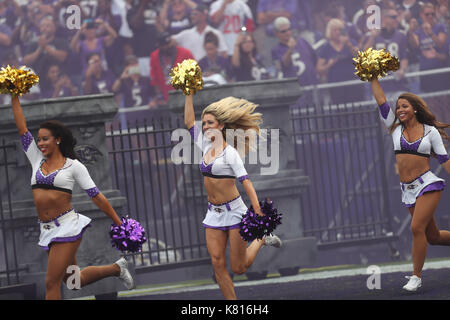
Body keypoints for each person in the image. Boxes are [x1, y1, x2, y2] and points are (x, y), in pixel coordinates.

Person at [9, 94, 135, 300]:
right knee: (74, 281)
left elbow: (96, 196)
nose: (40, 143)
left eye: (45, 138)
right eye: (39, 139)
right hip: (46, 228)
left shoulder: (73, 166)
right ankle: (116, 269)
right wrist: (14, 96)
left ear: (57, 139)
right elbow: (22, 129)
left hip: (67, 227)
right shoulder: (36, 160)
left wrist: (118, 221)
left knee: (51, 282)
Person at [183, 93, 282, 300]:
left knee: (239, 268)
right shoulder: (206, 146)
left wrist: (257, 211)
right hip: (213, 214)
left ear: (220, 126)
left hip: (235, 212)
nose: (206, 126)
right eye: (205, 123)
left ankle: (261, 239)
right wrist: (188, 93)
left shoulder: (230, 153)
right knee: (217, 262)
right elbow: (189, 123)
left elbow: (246, 181)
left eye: (210, 123)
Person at [369, 77, 450, 292]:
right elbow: (381, 101)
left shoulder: (430, 132)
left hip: (428, 185)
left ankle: (416, 276)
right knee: (432, 236)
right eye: (398, 107)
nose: (400, 109)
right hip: (408, 190)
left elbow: (444, 160)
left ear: (414, 108)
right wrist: (372, 76)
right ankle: (417, 272)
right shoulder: (394, 128)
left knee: (416, 228)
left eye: (405, 106)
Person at [362, 8, 409, 99]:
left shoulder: (401, 35)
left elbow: (404, 56)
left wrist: (402, 69)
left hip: (398, 83)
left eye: (397, 17)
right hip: (380, 85)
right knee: (384, 113)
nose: (396, 20)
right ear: (384, 19)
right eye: (393, 17)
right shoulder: (373, 36)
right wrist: (372, 37)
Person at [316, 18, 363, 104]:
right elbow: (319, 69)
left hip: (354, 82)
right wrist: (329, 65)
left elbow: (359, 58)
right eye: (335, 30)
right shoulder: (325, 47)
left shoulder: (351, 42)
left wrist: (348, 44)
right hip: (336, 86)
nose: (338, 32)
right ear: (330, 32)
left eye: (340, 30)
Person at [409, 2, 449, 93]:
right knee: (430, 100)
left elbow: (441, 44)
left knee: (445, 98)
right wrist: (410, 31)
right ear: (421, 15)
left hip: (441, 68)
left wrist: (430, 33)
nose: (430, 16)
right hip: (426, 69)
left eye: (432, 14)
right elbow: (414, 45)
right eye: (427, 14)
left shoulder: (440, 27)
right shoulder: (418, 31)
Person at [150, 31, 194, 103]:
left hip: (184, 97)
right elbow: (155, 80)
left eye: (170, 43)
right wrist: (159, 98)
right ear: (160, 46)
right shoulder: (154, 56)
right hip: (165, 99)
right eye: (165, 45)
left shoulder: (186, 53)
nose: (168, 46)